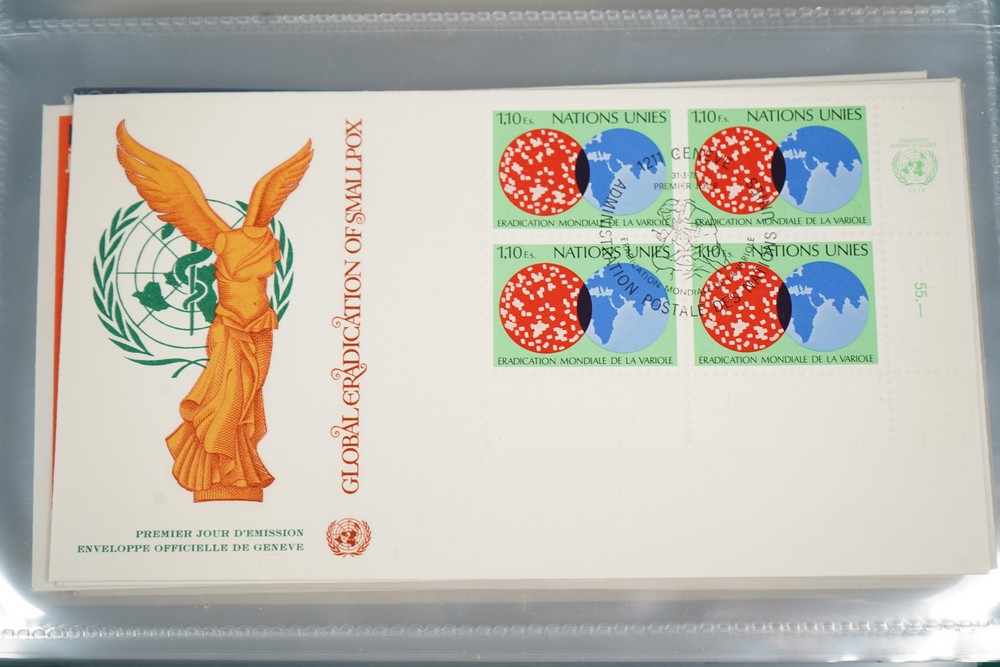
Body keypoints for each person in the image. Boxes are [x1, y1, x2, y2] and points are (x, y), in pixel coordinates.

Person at [116, 121, 312, 502]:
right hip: (232, 330)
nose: (269, 258)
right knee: (227, 401)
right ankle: (212, 472)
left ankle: (239, 470)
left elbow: (270, 193)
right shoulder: (225, 241)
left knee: (248, 401)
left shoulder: (258, 234)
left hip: (260, 329)